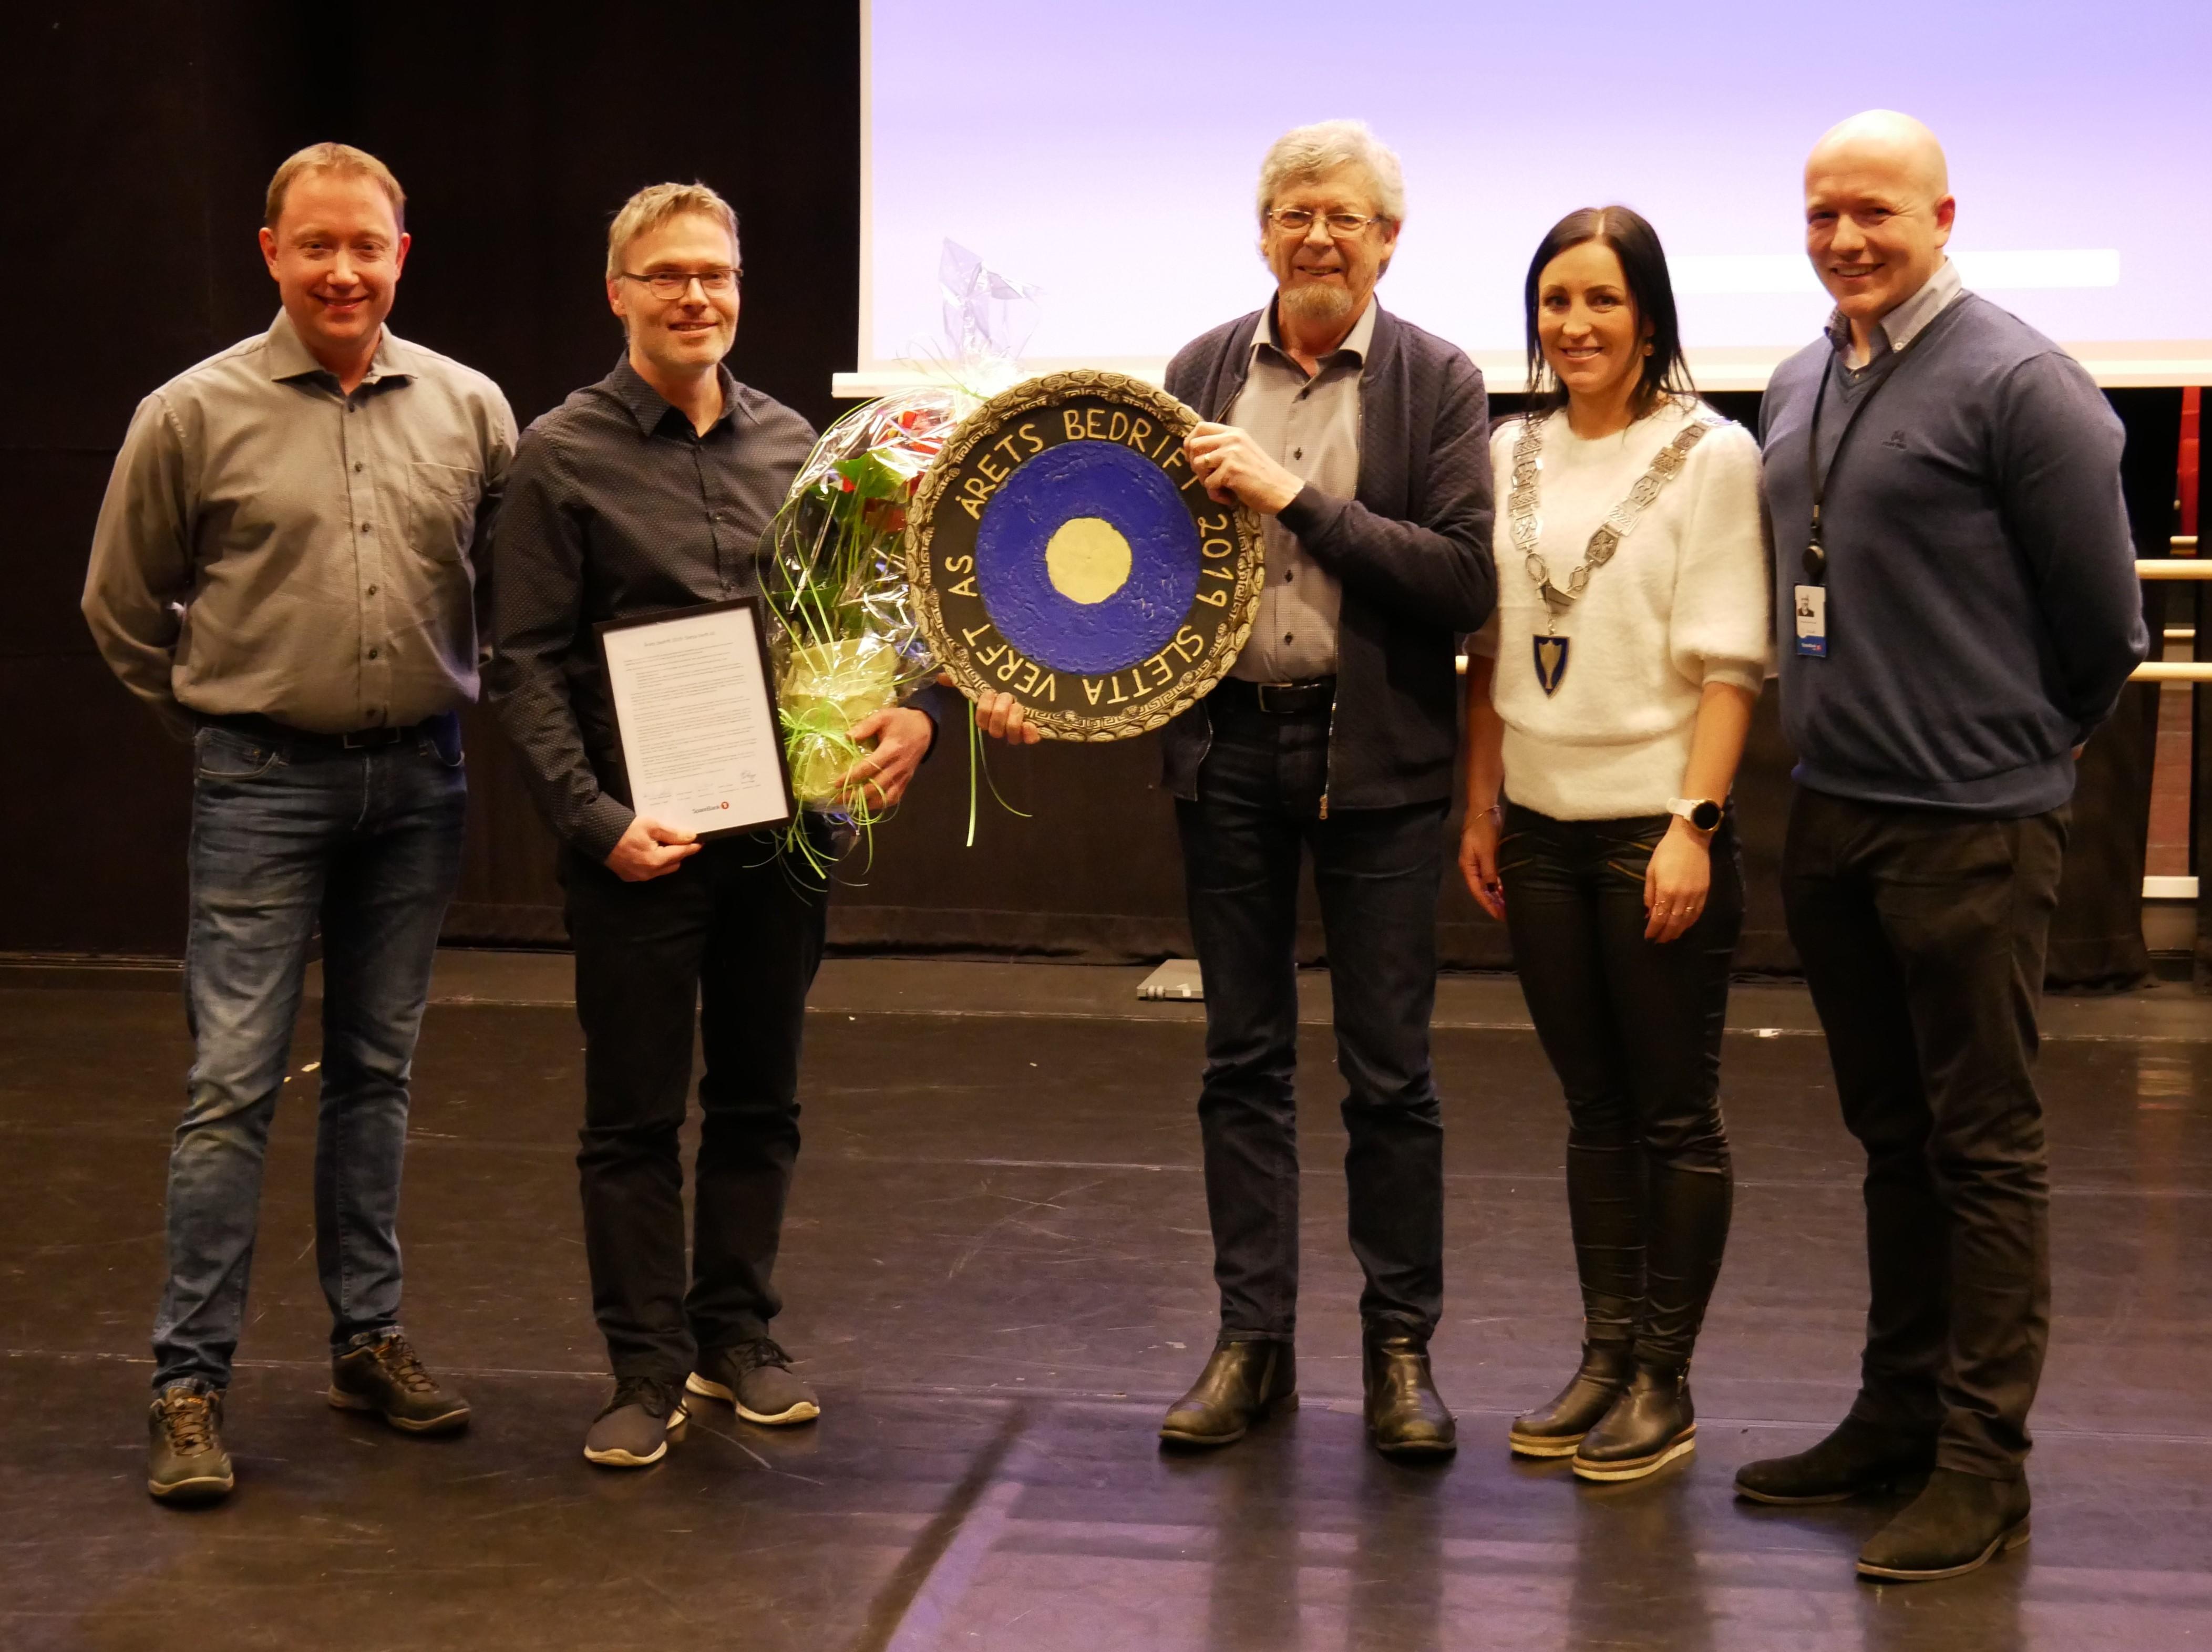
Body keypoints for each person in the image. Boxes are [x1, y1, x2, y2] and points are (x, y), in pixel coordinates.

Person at [1735, 111, 2148, 1581]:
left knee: (1982, 1149)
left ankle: (1986, 1464)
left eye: (1875, 214)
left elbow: (2106, 631)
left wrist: (2013, 747)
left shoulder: (2025, 383)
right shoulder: (1798, 376)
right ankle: (1896, 1415)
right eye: (1822, 212)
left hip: (1972, 826)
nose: (1846, 238)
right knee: (1889, 1139)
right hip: (1833, 814)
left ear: (1944, 213)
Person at [485, 182, 945, 1469]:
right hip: (642, 842)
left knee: (760, 1100)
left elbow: (853, 629)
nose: (697, 297)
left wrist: (913, 713)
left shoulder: (798, 442)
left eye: (718, 275)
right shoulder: (559, 456)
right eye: (669, 275)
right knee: (631, 1119)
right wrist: (595, 822)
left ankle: (735, 1336)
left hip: (782, 837)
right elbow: (522, 665)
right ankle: (644, 1369)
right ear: (618, 292)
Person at [83, 142, 516, 1504]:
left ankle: (366, 1339)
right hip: (260, 785)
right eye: (315, 244)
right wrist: (228, 734)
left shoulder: (471, 409)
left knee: (379, 1080)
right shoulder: (189, 413)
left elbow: (518, 594)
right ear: (271, 252)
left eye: (367, 246)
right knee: (230, 1092)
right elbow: (119, 609)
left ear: (403, 253)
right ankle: (188, 1384)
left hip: (421, 788)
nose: (343, 269)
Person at [1118, 119, 1494, 1459]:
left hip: (1377, 768)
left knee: (1391, 1077)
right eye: (1293, 213)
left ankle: (1399, 1356)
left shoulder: (1437, 381)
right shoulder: (1199, 369)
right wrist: (1054, 668)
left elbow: (1459, 580)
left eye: (1344, 216)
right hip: (1223, 755)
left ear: (1388, 240)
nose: (1316, 236)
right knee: (1241, 1064)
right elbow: (1152, 573)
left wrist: (1296, 500)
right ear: (1262, 231)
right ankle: (1252, 1343)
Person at [1458, 207, 1768, 1483]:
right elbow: (1481, 654)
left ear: (1649, 314)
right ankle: (1602, 1356)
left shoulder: (1712, 453)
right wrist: (1478, 807)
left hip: (1654, 828)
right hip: (1532, 830)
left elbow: (1731, 661)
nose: (1573, 326)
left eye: (1599, 300)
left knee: (1671, 1116)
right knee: (1593, 1114)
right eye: (1552, 302)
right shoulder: (1501, 451)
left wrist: (1692, 826)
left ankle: (1662, 1380)